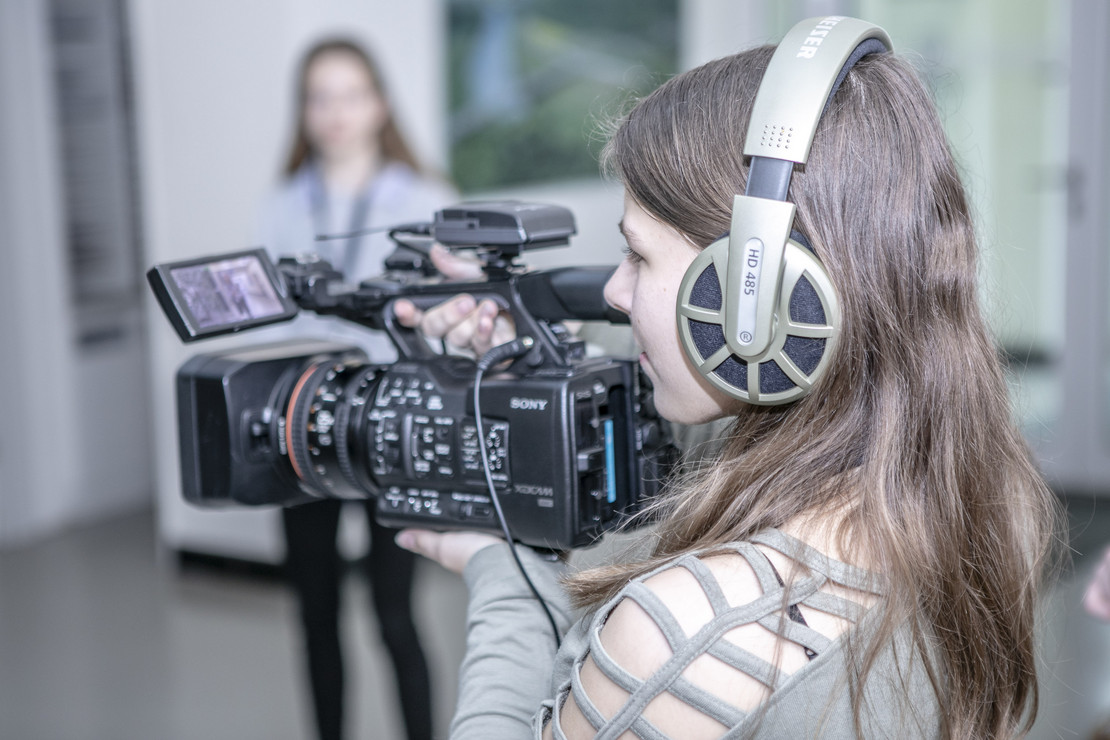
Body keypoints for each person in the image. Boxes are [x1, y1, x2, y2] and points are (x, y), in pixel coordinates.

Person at [392, 18, 1062, 739]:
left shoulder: (689, 633)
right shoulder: (980, 496)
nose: (615, 291)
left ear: (751, 301)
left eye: (637, 256)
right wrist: (530, 342)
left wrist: (507, 575)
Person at [255, 38, 455, 740]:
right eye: (320, 97)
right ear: (303, 111)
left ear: (379, 105)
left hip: (386, 426)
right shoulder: (283, 203)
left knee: (395, 615)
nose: (336, 112)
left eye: (351, 94)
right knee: (315, 615)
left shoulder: (425, 200)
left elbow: (448, 321)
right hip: (301, 424)